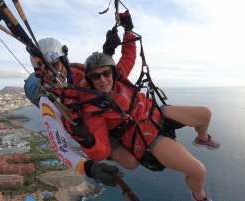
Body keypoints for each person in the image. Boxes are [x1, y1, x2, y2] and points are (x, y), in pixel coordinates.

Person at [69, 52, 220, 201]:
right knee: (198, 171)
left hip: (155, 112)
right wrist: (86, 140)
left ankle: (202, 138)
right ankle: (199, 196)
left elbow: (128, 57)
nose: (102, 80)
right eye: (96, 76)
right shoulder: (93, 108)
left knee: (205, 114)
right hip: (145, 135)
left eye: (106, 73)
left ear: (113, 73)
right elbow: (99, 149)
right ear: (90, 79)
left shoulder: (120, 79)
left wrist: (128, 31)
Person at [29, 12, 137, 187]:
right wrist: (90, 168)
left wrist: (108, 51)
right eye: (42, 72)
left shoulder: (80, 69)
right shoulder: (48, 101)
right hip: (92, 133)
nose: (50, 74)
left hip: (108, 116)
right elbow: (61, 148)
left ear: (63, 60)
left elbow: (104, 77)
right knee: (131, 162)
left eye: (54, 65)